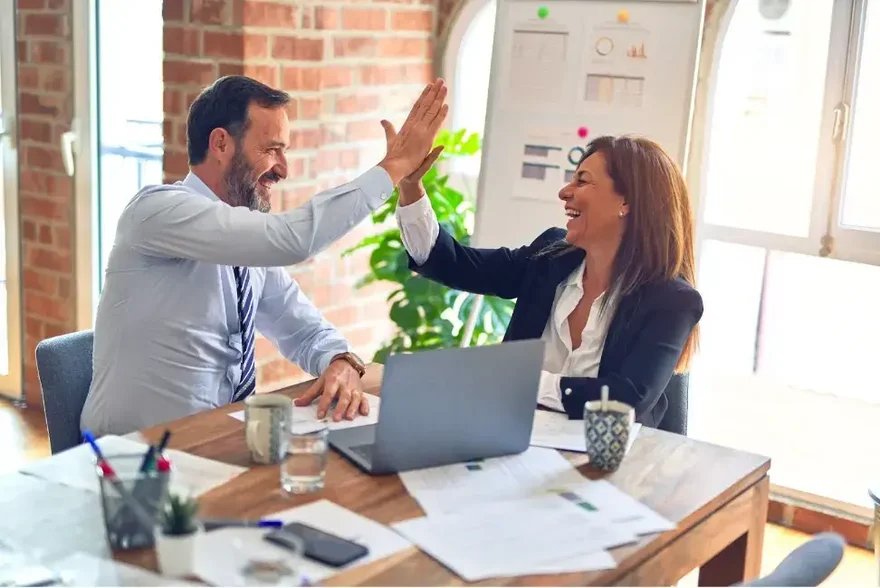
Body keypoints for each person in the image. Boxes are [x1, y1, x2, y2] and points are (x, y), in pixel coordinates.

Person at [81, 75, 448, 436]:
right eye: (272, 149)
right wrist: (395, 166)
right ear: (221, 144)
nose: (283, 169)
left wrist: (339, 361)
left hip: (218, 441)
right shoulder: (157, 212)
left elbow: (302, 327)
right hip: (135, 457)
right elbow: (293, 239)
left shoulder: (245, 244)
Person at [395, 135, 702, 427]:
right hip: (512, 440)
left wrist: (521, 380)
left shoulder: (672, 300)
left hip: (608, 465)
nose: (565, 192)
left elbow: (625, 400)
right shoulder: (550, 257)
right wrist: (410, 185)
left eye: (582, 180)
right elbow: (452, 263)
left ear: (627, 202)